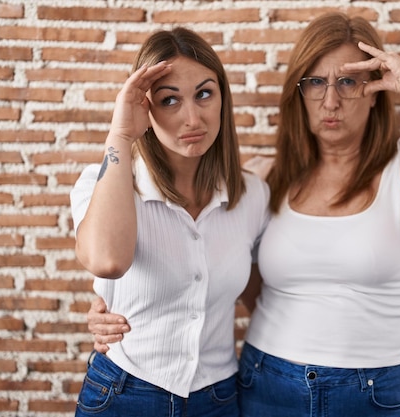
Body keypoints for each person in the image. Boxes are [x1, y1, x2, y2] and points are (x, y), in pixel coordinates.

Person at [87, 12, 400, 417]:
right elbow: (211, 260)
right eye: (316, 83)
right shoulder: (265, 178)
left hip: (375, 390)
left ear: (376, 88)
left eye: (348, 82)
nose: (331, 100)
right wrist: (116, 302)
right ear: (298, 93)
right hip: (266, 381)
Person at [70, 27, 269, 417]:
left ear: (223, 97)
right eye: (169, 100)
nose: (191, 117)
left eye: (204, 94)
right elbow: (108, 261)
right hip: (126, 393)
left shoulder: (252, 195)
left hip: (219, 398)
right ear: (145, 107)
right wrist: (121, 133)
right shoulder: (105, 183)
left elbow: (264, 299)